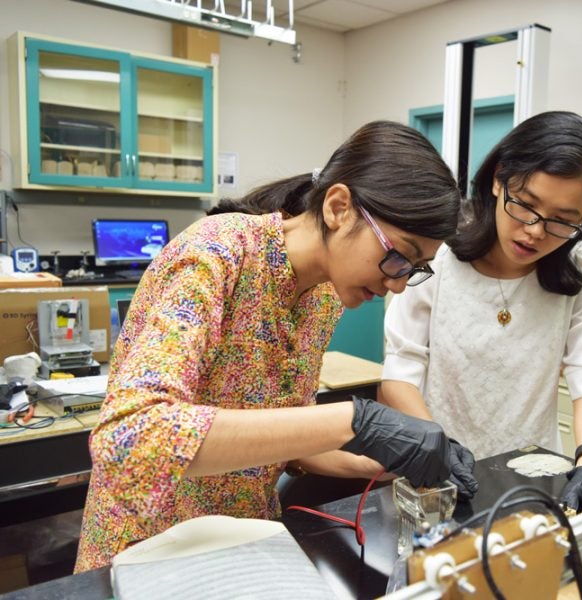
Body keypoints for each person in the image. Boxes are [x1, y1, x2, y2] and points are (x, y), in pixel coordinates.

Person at [75, 121, 468, 571]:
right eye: (398, 256)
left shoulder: (322, 295)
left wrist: (386, 462)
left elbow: (280, 441)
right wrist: (357, 420)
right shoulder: (216, 253)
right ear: (339, 207)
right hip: (151, 552)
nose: (399, 285)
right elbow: (129, 438)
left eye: (416, 268)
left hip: (243, 547)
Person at [379, 111, 582, 511]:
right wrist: (440, 448)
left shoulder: (581, 263)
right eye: (526, 205)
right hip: (439, 470)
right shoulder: (438, 251)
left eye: (563, 221)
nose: (535, 230)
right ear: (498, 179)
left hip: (534, 472)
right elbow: (399, 374)